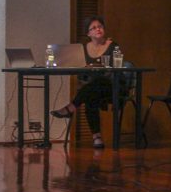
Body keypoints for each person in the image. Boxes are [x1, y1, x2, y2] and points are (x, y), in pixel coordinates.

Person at [50, 16, 121, 149]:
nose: (98, 29)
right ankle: (97, 138)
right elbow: (80, 68)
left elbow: (115, 68)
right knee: (90, 94)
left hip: (111, 86)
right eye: (93, 28)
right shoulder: (83, 48)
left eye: (100, 26)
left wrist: (98, 68)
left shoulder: (113, 45)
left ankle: (71, 108)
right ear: (88, 33)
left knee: (96, 85)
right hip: (92, 86)